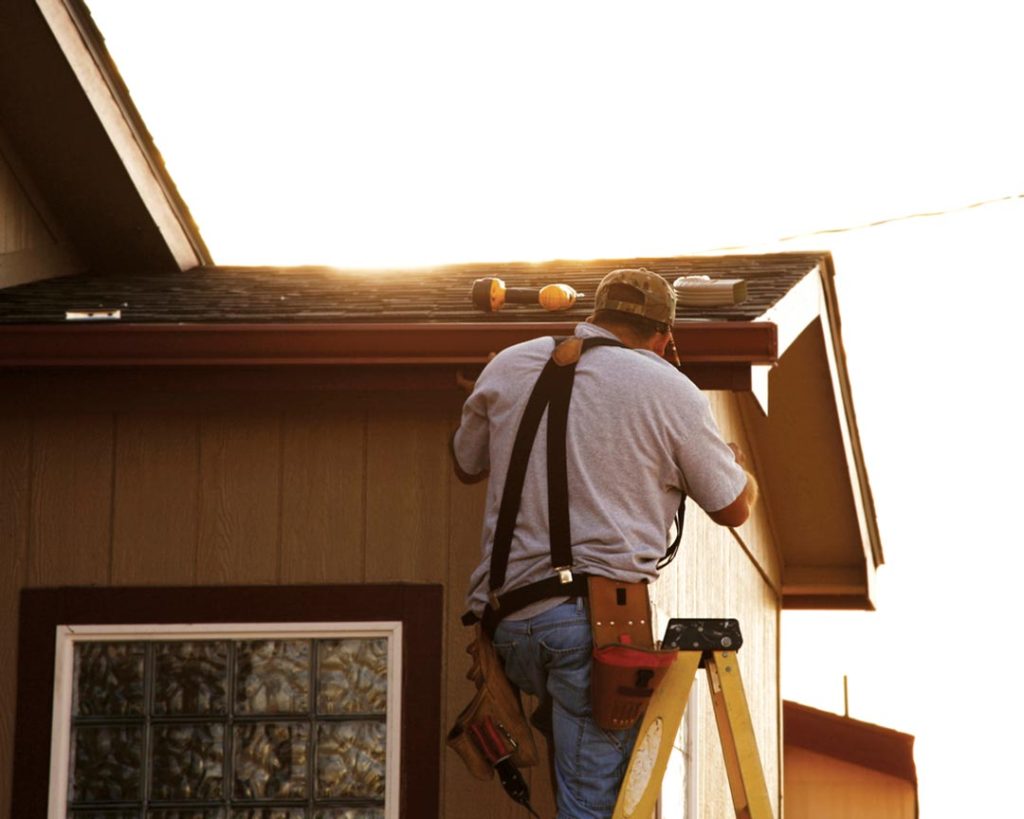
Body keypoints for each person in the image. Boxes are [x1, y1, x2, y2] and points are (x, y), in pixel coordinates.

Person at [451, 268, 758, 818]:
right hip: (592, 628)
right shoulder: (666, 386)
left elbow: (466, 461)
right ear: (664, 336)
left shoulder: (509, 363)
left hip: (507, 628)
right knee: (594, 808)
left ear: (593, 315)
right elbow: (733, 506)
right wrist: (738, 467)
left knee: (574, 777)